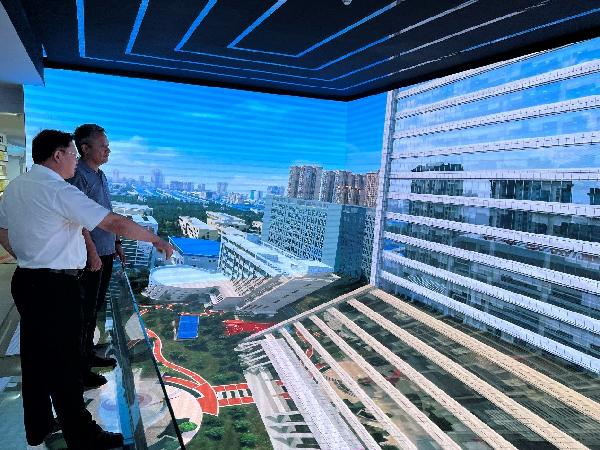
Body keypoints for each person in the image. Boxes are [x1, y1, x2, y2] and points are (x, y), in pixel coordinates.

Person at [0, 130, 173, 449]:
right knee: (65, 364)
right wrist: (157, 240)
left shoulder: (17, 186)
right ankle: (82, 435)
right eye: (71, 155)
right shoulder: (58, 189)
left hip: (26, 280)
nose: (75, 161)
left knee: (35, 358)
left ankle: (38, 425)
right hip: (56, 287)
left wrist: (29, 257)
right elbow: (113, 223)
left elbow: (2, 230)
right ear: (57, 155)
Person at [67, 124, 123, 389]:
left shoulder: (100, 175)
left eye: (107, 146)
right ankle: (78, 371)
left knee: (93, 310)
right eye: (103, 146)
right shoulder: (78, 176)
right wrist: (91, 252)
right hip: (91, 257)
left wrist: (116, 242)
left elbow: (107, 213)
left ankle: (87, 356)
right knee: (83, 313)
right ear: (85, 148)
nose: (108, 150)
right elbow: (76, 219)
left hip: (105, 251)